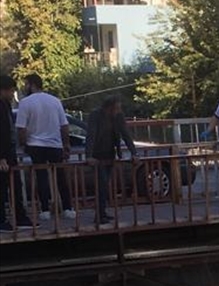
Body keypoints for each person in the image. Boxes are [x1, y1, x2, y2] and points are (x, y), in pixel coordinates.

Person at [15, 73, 73, 220]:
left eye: (26, 84)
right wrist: (66, 144)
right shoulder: (55, 101)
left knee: (41, 177)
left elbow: (21, 128)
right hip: (55, 144)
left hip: (35, 144)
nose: (24, 87)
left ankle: (45, 210)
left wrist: (23, 143)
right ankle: (67, 208)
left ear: (31, 84)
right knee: (60, 176)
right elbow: (64, 125)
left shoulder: (25, 103)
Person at [85, 96, 135, 225]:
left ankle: (102, 212)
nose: (119, 110)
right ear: (109, 107)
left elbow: (125, 134)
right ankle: (100, 214)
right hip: (97, 155)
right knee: (101, 185)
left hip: (110, 153)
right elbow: (91, 134)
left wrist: (134, 153)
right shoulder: (96, 115)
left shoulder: (118, 116)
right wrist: (89, 155)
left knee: (105, 185)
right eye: (117, 108)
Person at [0, 74, 31, 230]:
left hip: (8, 151)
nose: (13, 94)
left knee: (15, 185)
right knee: (5, 186)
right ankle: (3, 220)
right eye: (11, 91)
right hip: (4, 153)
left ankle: (19, 217)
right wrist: (2, 157)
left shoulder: (5, 105)